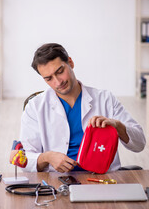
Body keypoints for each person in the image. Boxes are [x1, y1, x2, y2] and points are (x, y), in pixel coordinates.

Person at [20, 43, 146, 173]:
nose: (58, 82)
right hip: (58, 181)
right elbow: (24, 161)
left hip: (103, 179)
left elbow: (139, 144)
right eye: (48, 78)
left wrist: (117, 126)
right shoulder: (35, 107)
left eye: (60, 71)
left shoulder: (105, 99)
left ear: (70, 62)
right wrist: (47, 157)